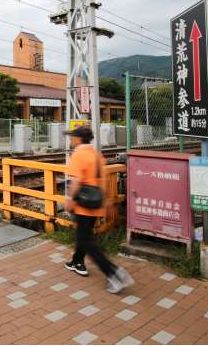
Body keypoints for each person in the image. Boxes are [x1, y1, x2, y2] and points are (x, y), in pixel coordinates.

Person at [64, 125, 134, 294]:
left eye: (72, 137)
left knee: (87, 242)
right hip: (96, 203)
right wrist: (108, 203)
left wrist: (69, 200)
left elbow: (77, 180)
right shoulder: (96, 154)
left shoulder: (79, 154)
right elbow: (103, 181)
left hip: (83, 204)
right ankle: (76, 261)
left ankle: (114, 273)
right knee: (84, 236)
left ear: (78, 139)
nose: (71, 140)